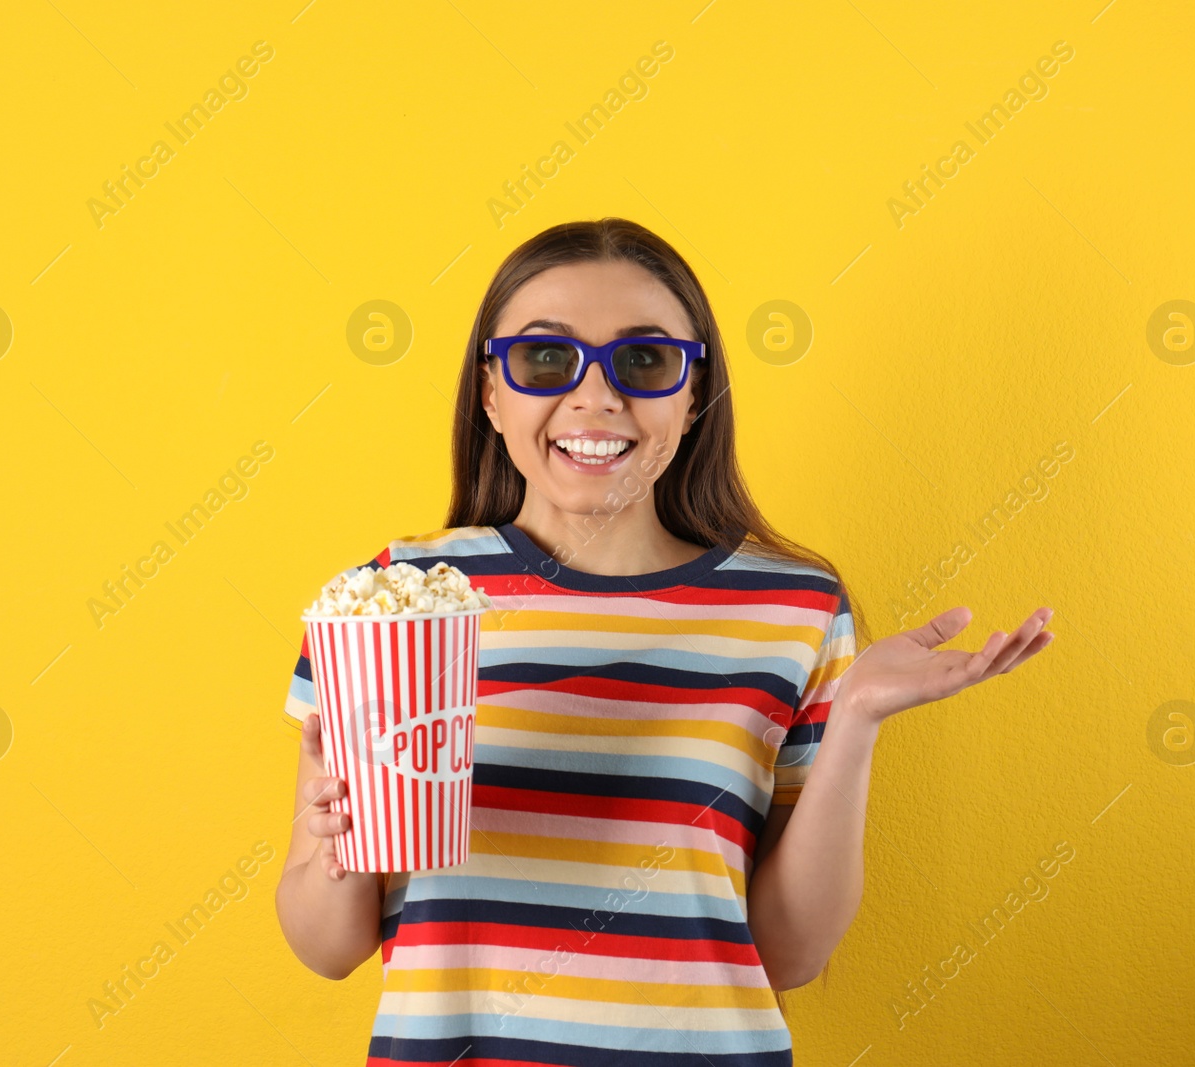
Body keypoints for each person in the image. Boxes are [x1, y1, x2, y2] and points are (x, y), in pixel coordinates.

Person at [274, 218, 1054, 1066]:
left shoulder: (793, 607)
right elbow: (326, 947)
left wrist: (859, 716)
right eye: (546, 360)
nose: (596, 398)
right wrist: (336, 846)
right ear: (492, 392)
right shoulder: (396, 600)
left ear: (693, 394)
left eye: (644, 361)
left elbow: (790, 954)